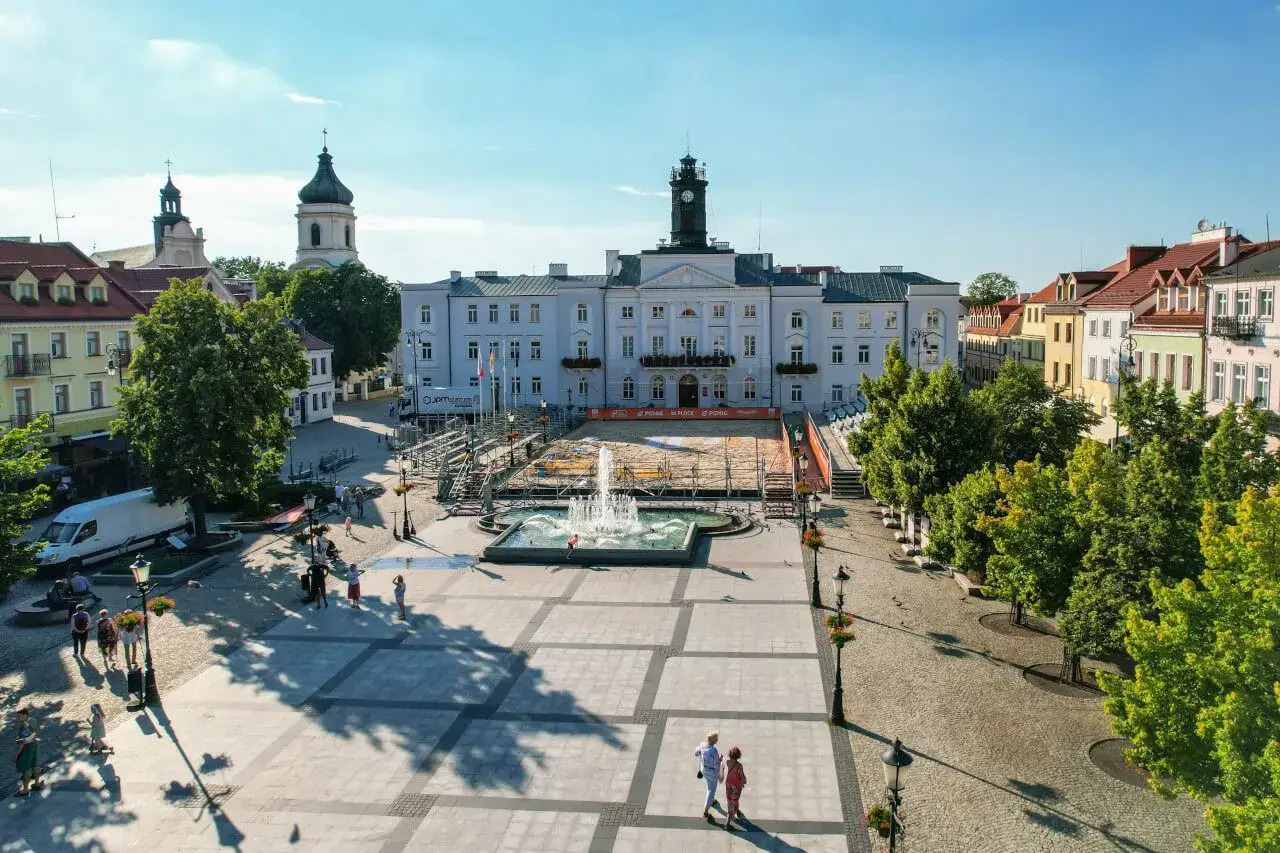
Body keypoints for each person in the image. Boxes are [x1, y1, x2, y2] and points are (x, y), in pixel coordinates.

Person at [694, 731, 723, 823]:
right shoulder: (713, 751)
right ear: (713, 740)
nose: (717, 740)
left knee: (709, 786)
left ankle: (711, 800)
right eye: (716, 738)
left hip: (704, 771)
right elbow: (716, 764)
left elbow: (696, 753)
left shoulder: (702, 745)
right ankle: (706, 811)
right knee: (711, 790)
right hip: (712, 773)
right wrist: (720, 759)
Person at [14, 708, 41, 795]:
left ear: (25, 715)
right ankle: (37, 783)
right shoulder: (34, 720)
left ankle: (25, 790)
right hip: (35, 744)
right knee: (35, 765)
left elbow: (23, 742)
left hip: (27, 748)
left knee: (26, 768)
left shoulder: (24, 725)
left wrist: (16, 755)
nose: (18, 718)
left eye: (19, 716)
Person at [723, 746, 747, 830]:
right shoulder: (739, 766)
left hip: (728, 785)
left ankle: (737, 810)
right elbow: (742, 776)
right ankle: (728, 822)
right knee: (733, 801)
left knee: (730, 800)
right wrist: (744, 781)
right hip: (736, 787)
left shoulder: (727, 762)